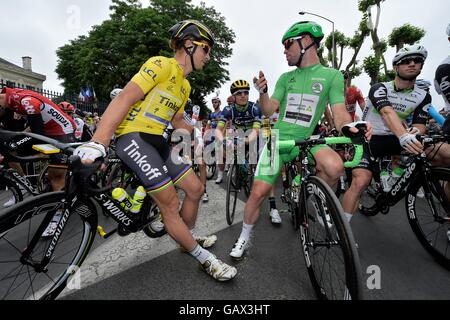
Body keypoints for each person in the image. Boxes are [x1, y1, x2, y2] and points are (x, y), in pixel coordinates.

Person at [73, 20, 237, 281]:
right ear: (189, 45)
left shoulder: (184, 86)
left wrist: (196, 138)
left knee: (195, 189)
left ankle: (185, 238)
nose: (209, 57)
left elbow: (177, 121)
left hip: (158, 142)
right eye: (206, 49)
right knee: (170, 203)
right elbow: (125, 97)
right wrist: (99, 141)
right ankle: (205, 259)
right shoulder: (160, 64)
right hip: (134, 137)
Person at [229, 21, 372, 259]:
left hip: (308, 139)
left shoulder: (332, 76)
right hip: (280, 141)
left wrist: (349, 127)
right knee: (259, 192)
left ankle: (314, 200)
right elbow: (268, 110)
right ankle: (244, 236)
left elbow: (338, 111)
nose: (284, 51)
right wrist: (262, 93)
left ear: (306, 41)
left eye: (288, 45)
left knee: (335, 166)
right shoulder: (286, 78)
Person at [342, 44, 431, 224]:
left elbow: (420, 125)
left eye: (417, 61)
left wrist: (415, 132)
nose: (412, 64)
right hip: (368, 138)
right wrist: (405, 136)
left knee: (433, 149)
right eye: (406, 61)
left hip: (394, 138)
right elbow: (387, 112)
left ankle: (396, 173)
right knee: (361, 181)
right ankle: (342, 230)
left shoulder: (423, 95)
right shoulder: (379, 88)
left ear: (422, 65)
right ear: (396, 67)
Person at [215, 80, 262, 185]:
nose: (243, 95)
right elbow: (218, 129)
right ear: (234, 97)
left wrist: (248, 140)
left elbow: (255, 131)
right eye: (239, 93)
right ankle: (234, 166)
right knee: (222, 148)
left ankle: (253, 172)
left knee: (257, 158)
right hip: (239, 134)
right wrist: (222, 140)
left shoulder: (254, 108)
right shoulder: (228, 110)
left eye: (246, 92)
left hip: (253, 135)